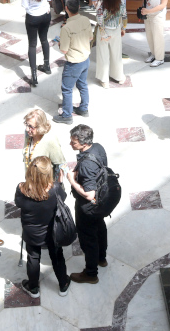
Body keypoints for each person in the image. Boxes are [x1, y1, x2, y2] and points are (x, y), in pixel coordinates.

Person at [15, 156, 71, 298]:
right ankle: (63, 285)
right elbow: (63, 199)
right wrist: (60, 181)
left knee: (33, 257)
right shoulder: (55, 188)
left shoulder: (21, 188)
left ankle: (33, 288)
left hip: (31, 232)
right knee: (57, 256)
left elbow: (18, 203)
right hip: (53, 230)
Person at [67, 124, 108, 284]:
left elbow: (89, 194)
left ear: (84, 143)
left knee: (88, 239)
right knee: (100, 228)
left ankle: (91, 274)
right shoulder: (98, 147)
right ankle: (101, 258)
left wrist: (72, 180)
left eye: (74, 142)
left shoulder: (86, 164)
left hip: (88, 207)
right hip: (101, 200)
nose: (71, 144)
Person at [55, 0, 93, 125]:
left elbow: (64, 50)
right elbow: (90, 37)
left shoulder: (66, 28)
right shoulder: (86, 20)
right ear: (79, 7)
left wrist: (60, 43)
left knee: (67, 89)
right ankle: (83, 109)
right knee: (82, 85)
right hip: (85, 60)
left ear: (66, 8)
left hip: (74, 63)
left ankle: (66, 116)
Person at [20, 0, 53, 87]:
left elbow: (25, 4)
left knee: (32, 45)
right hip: (45, 15)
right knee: (44, 39)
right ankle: (47, 66)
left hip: (32, 17)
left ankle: (34, 76)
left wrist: (33, 8)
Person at [95, 0, 126, 88]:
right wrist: (122, 28)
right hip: (116, 29)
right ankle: (119, 77)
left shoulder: (101, 3)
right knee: (116, 54)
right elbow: (124, 15)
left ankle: (104, 80)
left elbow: (100, 21)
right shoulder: (120, 0)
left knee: (103, 55)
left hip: (104, 30)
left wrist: (103, 35)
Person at [140, 0, 170, 67]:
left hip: (157, 15)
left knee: (158, 37)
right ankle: (153, 54)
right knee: (149, 36)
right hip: (147, 13)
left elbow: (163, 4)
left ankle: (159, 58)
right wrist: (144, 8)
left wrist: (149, 11)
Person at [23, 108, 67, 181]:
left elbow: (61, 165)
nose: (27, 129)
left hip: (45, 185)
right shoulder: (29, 134)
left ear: (40, 126)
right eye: (26, 124)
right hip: (31, 182)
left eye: (31, 126)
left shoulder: (50, 140)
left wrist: (57, 185)